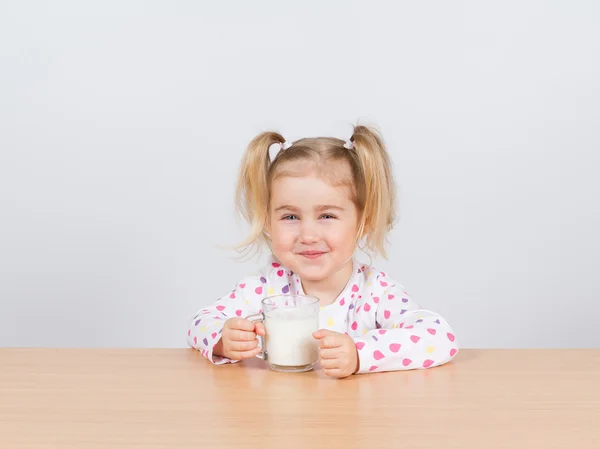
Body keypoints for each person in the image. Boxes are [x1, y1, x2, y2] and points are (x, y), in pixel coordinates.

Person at [187, 125, 459, 378]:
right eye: (290, 217)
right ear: (268, 222)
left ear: (363, 222)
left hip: (351, 422)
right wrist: (224, 339)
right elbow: (199, 323)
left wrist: (359, 354)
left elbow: (439, 338)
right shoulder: (265, 288)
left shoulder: (375, 293)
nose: (308, 235)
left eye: (327, 216)